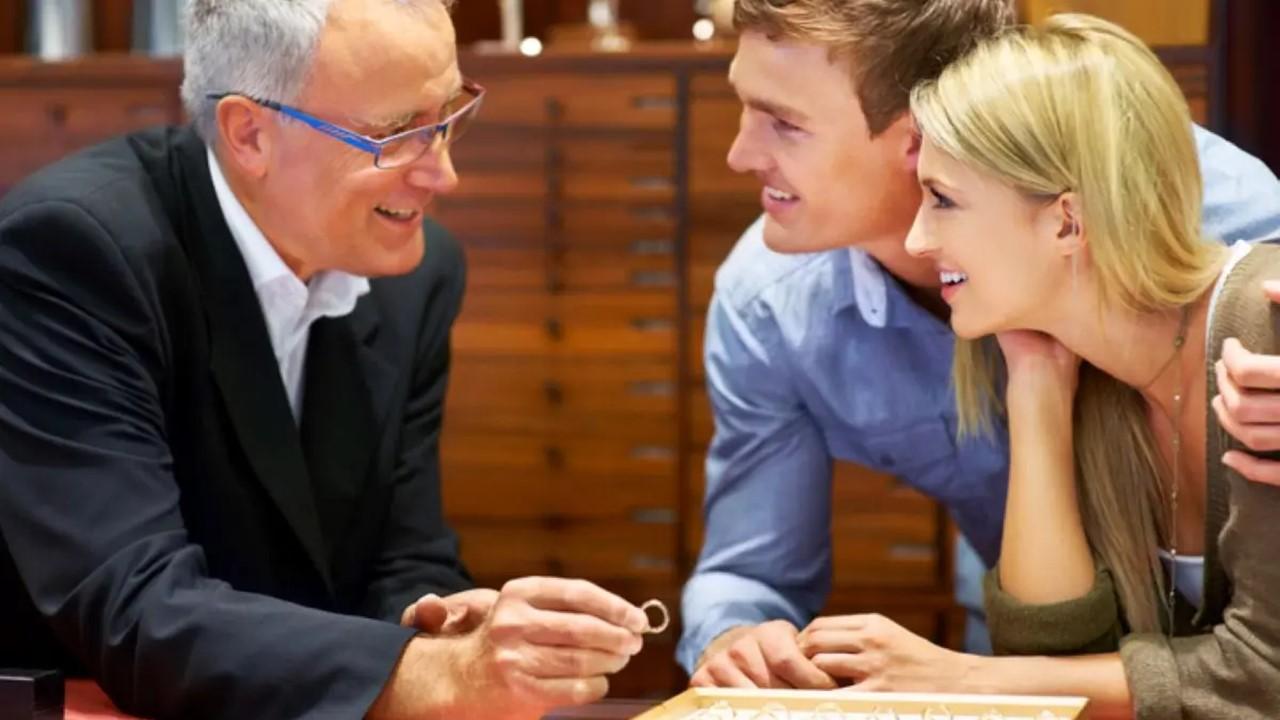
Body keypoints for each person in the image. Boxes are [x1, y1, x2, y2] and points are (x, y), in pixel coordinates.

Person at [0, 1, 647, 718]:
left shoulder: (416, 276)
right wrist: (439, 674)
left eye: (446, 118)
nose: (444, 174)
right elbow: (137, 610)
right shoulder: (76, 253)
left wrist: (453, 623)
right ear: (249, 134)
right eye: (398, 133)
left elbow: (404, 556)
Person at [680, 0, 1280, 690]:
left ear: (915, 135)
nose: (737, 155)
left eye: (784, 123)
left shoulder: (1194, 200)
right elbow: (750, 569)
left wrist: (966, 679)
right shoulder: (770, 304)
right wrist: (734, 639)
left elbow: (1257, 671)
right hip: (1040, 646)